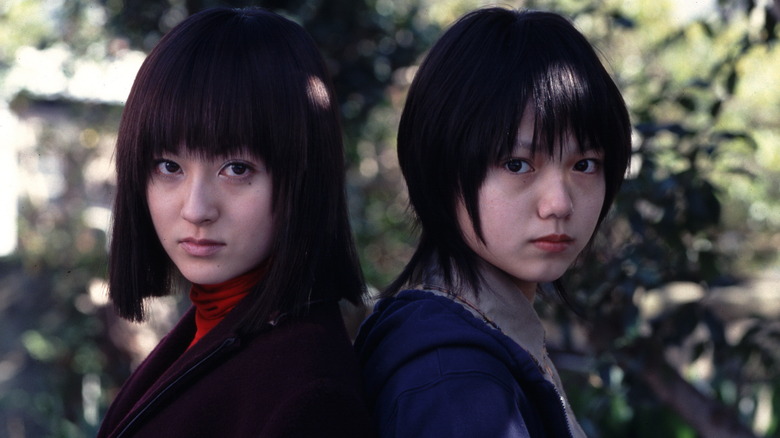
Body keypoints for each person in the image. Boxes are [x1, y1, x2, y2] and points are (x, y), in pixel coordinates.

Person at [355, 7, 632, 438]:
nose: (559, 204)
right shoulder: (454, 383)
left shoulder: (483, 336)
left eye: (585, 163)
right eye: (518, 164)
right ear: (440, 166)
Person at [98, 7, 374, 437]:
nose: (196, 209)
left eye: (237, 168)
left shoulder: (310, 397)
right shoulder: (212, 323)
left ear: (304, 178)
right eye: (169, 166)